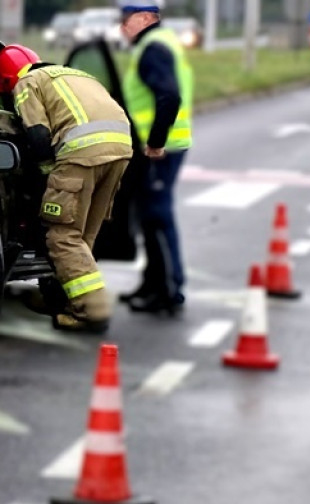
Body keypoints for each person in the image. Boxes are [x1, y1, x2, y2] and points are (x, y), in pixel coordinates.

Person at [0, 45, 133, 333]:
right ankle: (65, 299)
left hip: (80, 153)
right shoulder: (75, 75)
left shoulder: (27, 83)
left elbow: (38, 137)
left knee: (62, 235)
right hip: (121, 149)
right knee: (84, 233)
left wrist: (47, 179)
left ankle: (93, 309)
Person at [117, 0, 194, 315]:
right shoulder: (159, 42)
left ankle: (169, 290)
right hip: (161, 147)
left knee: (158, 218)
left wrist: (156, 142)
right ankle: (152, 284)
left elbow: (169, 95)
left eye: (127, 18)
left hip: (161, 150)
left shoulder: (153, 48)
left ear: (147, 17)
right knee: (149, 217)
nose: (122, 25)